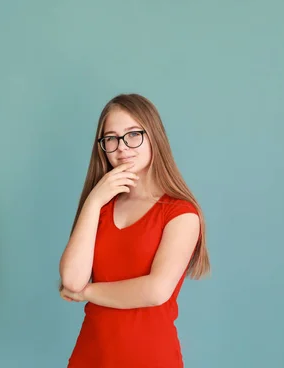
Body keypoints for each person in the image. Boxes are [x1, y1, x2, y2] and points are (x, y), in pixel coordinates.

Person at [58, 93, 210, 367]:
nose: (122, 147)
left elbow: (156, 291)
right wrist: (93, 201)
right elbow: (71, 279)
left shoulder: (181, 213)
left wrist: (86, 293)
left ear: (154, 136)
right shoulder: (100, 208)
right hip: (90, 355)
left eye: (133, 134)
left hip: (149, 357)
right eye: (111, 138)